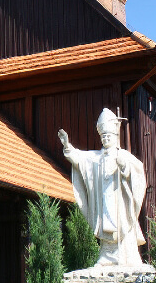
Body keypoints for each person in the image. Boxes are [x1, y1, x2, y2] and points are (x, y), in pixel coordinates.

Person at [57, 108, 147, 267]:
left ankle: (126, 258)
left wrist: (125, 166)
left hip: (119, 200)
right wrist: (67, 145)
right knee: (106, 227)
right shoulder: (96, 157)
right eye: (103, 136)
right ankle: (107, 258)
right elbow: (79, 158)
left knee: (121, 227)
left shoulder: (123, 155)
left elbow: (138, 172)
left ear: (115, 136)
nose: (105, 138)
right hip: (104, 200)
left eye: (108, 136)